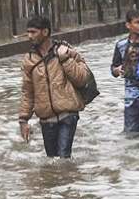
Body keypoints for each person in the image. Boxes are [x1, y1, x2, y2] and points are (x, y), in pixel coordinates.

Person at [18, 16, 91, 158]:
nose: (29, 36)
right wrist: (23, 120)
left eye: (33, 32)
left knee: (63, 157)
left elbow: (82, 79)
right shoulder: (29, 60)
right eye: (28, 32)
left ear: (45, 32)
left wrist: (65, 59)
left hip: (68, 114)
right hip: (46, 119)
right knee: (52, 160)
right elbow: (28, 91)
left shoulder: (66, 51)